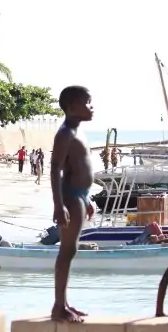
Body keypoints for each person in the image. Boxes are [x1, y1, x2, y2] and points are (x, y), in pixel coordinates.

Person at [50, 85, 94, 323]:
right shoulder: (65, 133)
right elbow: (55, 167)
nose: (92, 107)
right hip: (69, 196)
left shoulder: (78, 131)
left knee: (71, 251)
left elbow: (79, 165)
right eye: (88, 102)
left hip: (80, 195)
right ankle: (59, 307)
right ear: (73, 106)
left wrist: (88, 198)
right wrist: (59, 205)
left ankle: (64, 302)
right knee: (67, 251)